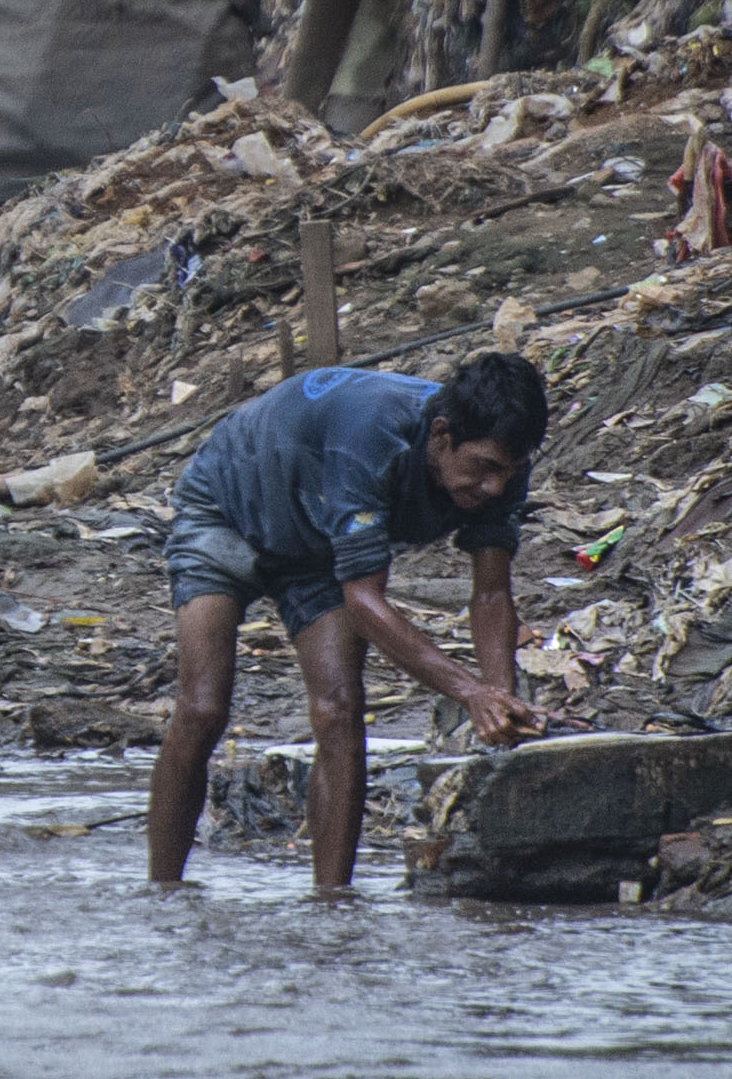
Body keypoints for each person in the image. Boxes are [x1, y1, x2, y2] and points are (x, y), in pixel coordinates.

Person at [145, 352, 550, 889]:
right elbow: (363, 600)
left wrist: (501, 700)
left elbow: (493, 595)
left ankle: (333, 903)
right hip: (229, 508)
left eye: (509, 472)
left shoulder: (504, 466)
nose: (494, 488)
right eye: (483, 468)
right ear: (441, 434)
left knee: (340, 710)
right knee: (202, 707)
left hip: (317, 545)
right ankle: (163, 895)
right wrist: (469, 692)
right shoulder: (370, 436)